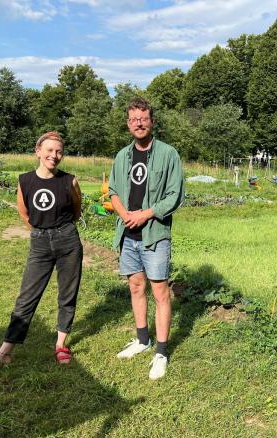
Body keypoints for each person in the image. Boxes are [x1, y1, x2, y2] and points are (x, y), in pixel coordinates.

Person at [0, 131, 83, 374]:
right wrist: (42, 232)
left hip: (68, 240)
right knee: (26, 297)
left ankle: (61, 344)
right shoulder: (25, 181)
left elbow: (76, 210)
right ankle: (5, 352)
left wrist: (60, 230)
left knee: (67, 293)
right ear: (38, 152)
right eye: (50, 151)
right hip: (40, 242)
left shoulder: (70, 181)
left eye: (59, 151)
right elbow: (25, 214)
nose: (54, 156)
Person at [109, 97, 185, 380]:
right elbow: (114, 191)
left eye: (143, 118)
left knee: (160, 292)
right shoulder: (122, 156)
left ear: (152, 121)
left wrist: (145, 214)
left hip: (155, 235)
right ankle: (143, 340)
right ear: (128, 124)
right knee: (135, 286)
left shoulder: (168, 154)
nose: (139, 123)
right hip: (127, 235)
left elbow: (174, 195)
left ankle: (162, 352)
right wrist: (126, 215)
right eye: (133, 120)